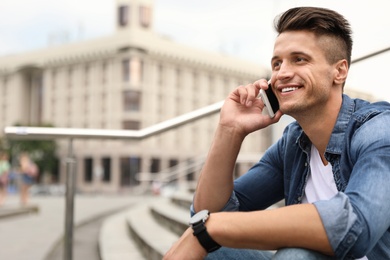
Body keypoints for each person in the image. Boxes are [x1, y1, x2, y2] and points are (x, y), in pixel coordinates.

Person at [164, 6, 390, 260]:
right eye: (277, 63)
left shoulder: (379, 130)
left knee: (295, 255)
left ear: (339, 71)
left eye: (299, 59)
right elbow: (208, 212)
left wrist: (211, 228)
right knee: (211, 249)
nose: (282, 73)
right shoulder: (294, 143)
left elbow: (356, 226)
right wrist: (230, 130)